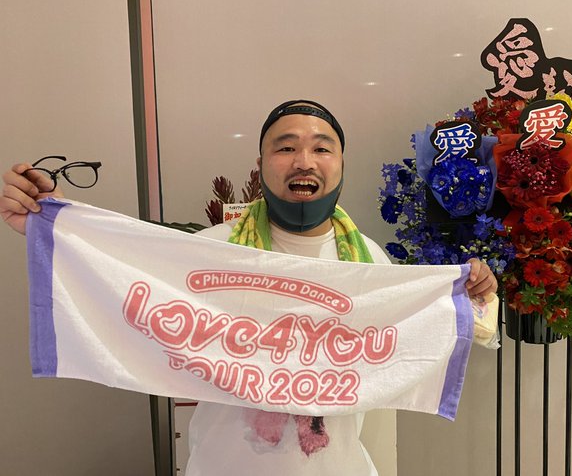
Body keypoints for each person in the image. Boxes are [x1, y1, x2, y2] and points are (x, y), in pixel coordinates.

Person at [1, 99, 497, 475]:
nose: (304, 160)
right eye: (286, 147)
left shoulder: (371, 264)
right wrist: (56, 226)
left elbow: (438, 337)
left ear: (342, 164)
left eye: (321, 147)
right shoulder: (211, 251)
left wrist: (474, 295)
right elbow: (122, 274)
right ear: (261, 163)